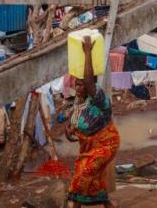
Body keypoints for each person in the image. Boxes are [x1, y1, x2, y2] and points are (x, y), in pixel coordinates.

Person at [65, 37, 120, 207]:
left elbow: (89, 80)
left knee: (83, 173)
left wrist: (87, 52)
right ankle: (106, 204)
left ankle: (73, 203)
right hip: (88, 147)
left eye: (82, 85)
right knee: (94, 178)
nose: (79, 88)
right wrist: (70, 130)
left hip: (106, 144)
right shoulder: (78, 101)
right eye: (77, 84)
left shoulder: (98, 99)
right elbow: (75, 121)